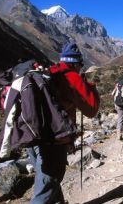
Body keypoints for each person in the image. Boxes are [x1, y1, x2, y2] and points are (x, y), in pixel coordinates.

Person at [27, 41, 100, 204]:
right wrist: (91, 88)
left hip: (32, 136)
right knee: (45, 190)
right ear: (77, 63)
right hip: (54, 140)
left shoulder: (49, 72)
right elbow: (91, 110)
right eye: (81, 65)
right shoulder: (72, 77)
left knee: (50, 182)